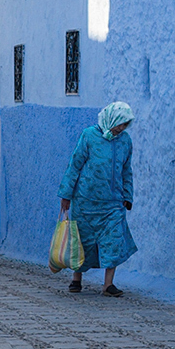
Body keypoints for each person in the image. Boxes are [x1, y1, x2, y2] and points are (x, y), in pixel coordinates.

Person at [58, 102, 137, 297]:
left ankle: (108, 285)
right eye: (120, 123)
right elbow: (75, 165)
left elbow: (126, 170)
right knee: (82, 241)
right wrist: (66, 194)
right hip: (86, 201)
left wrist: (127, 195)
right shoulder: (89, 135)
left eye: (125, 124)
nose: (121, 128)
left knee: (114, 241)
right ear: (111, 119)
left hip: (113, 203)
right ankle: (76, 279)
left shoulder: (125, 141)